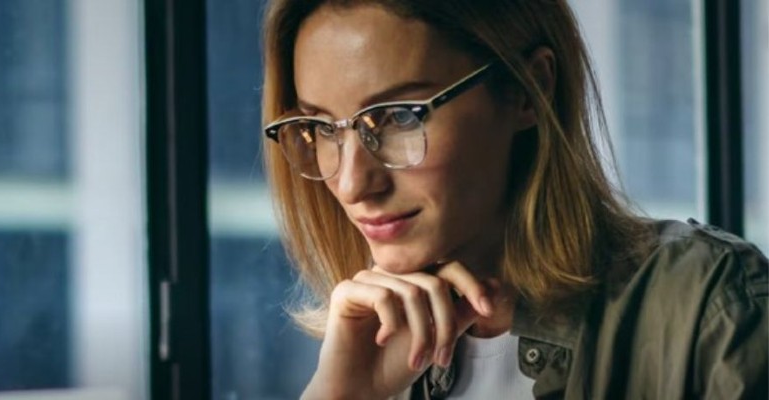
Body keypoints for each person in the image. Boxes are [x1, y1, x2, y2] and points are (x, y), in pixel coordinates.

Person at [258, 0, 768, 398]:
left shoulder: (709, 308)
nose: (351, 184)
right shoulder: (369, 346)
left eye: (398, 117)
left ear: (530, 89)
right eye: (320, 127)